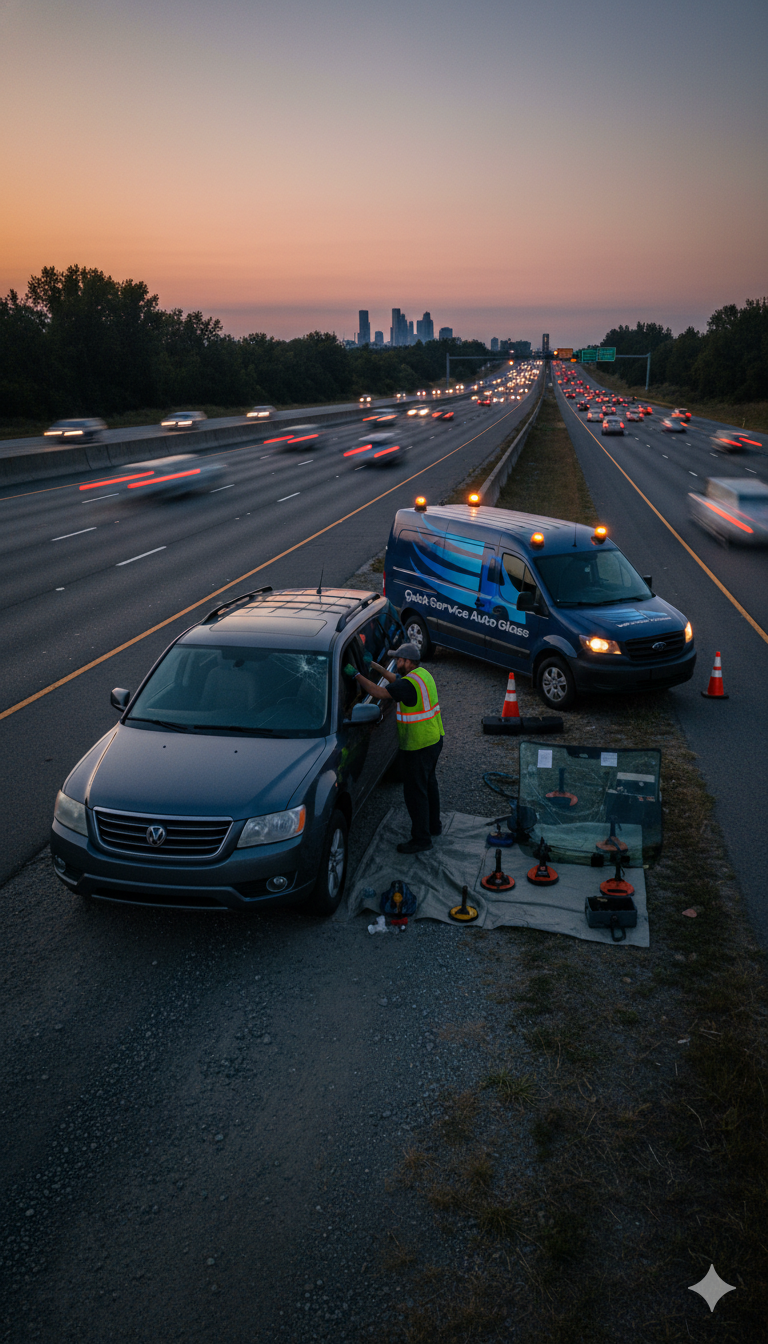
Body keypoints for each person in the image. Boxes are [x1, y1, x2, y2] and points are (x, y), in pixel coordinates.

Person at [346, 642, 444, 854]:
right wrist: (374, 666)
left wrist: (356, 675)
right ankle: (434, 826)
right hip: (434, 739)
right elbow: (395, 681)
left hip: (418, 745)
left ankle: (421, 839)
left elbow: (379, 692)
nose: (396, 663)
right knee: (429, 784)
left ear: (407, 662)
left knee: (415, 793)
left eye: (399, 660)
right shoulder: (422, 675)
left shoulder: (408, 685)